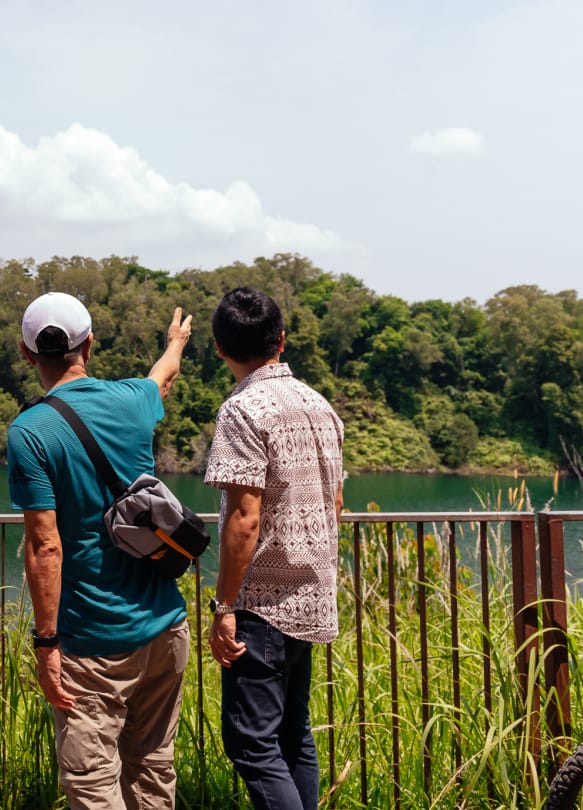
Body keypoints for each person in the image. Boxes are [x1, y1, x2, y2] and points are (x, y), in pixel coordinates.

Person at [8, 291, 194, 809]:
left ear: (27, 355)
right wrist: (175, 342)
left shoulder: (30, 433)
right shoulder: (133, 400)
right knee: (154, 767)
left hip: (93, 641)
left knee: (92, 783)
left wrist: (47, 645)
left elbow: (46, 546)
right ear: (89, 344)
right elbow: (164, 375)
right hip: (164, 625)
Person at [204, 287, 345, 810]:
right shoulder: (318, 404)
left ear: (219, 348)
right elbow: (335, 501)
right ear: (281, 341)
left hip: (261, 606)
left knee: (252, 745)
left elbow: (244, 520)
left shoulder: (242, 411)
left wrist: (224, 607)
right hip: (310, 598)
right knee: (292, 736)